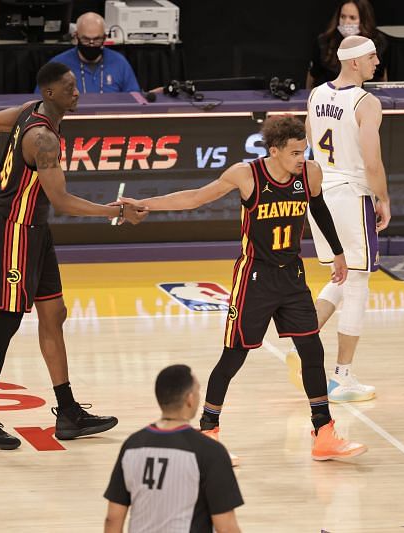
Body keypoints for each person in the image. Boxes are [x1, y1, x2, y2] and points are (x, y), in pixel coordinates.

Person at [121, 116, 367, 464]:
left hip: (292, 275)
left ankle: (323, 433)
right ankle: (208, 432)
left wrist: (338, 253)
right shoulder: (246, 175)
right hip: (255, 278)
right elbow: (194, 198)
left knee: (312, 351)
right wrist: (148, 203)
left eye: (304, 150)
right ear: (274, 151)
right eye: (295, 152)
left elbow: (319, 208)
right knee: (233, 357)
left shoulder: (310, 174)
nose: (302, 158)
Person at [0, 61, 147, 450]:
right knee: (8, 320)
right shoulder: (43, 138)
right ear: (49, 93)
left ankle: (67, 412)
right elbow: (62, 201)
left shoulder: (28, 110)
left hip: (36, 229)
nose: (76, 91)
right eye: (68, 87)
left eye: (75, 86)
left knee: (54, 313)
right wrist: (118, 212)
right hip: (15, 229)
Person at [292, 35, 391, 403]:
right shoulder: (366, 102)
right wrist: (383, 197)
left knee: (343, 274)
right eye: (371, 57)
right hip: (350, 193)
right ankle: (341, 377)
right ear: (353, 62)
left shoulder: (316, 94)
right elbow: (372, 162)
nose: (376, 62)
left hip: (320, 193)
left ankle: (300, 344)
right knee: (358, 283)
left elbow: (306, 143)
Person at [104, 364, 243, 533]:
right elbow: (226, 527)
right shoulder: (211, 452)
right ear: (190, 399)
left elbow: (112, 519)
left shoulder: (132, 445)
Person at [41, 12, 140, 94]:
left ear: (104, 38)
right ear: (76, 36)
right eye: (86, 39)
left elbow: (134, 99)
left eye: (97, 39)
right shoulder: (57, 65)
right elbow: (42, 101)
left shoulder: (119, 62)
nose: (91, 45)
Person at [307, 0, 388, 89]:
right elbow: (312, 77)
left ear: (363, 20)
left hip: (365, 96)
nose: (346, 22)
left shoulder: (377, 42)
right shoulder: (324, 42)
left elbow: (382, 79)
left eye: (352, 18)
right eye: (343, 17)